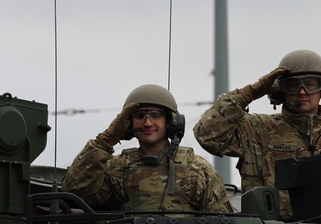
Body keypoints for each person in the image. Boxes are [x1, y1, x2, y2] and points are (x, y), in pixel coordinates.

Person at [194, 49, 321, 218]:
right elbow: (206, 133)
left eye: (310, 84)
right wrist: (250, 93)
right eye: (293, 85)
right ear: (279, 91)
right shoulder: (256, 129)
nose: (302, 92)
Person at [62, 84, 232, 214]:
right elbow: (76, 195)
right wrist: (104, 142)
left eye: (156, 115)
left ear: (171, 122)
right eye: (140, 116)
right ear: (128, 124)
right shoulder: (116, 169)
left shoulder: (197, 169)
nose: (147, 123)